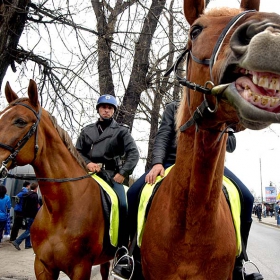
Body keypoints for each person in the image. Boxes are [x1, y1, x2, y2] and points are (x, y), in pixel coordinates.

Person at [112, 101, 263, 280]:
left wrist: (221, 127)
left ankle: (239, 262)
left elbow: (231, 144)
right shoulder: (173, 108)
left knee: (246, 197)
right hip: (172, 161)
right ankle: (132, 256)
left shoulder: (217, 108)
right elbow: (163, 135)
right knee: (133, 193)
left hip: (210, 166)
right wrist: (157, 162)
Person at [76, 94, 139, 195]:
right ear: (98, 109)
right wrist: (87, 163)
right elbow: (77, 151)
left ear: (114, 110)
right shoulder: (86, 131)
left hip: (112, 176)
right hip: (88, 174)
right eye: (103, 107)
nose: (106, 110)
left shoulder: (121, 131)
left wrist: (122, 173)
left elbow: (134, 153)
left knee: (123, 205)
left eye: (110, 108)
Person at [11, 182, 39, 250]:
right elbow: (34, 207)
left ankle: (27, 244)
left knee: (28, 229)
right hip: (32, 215)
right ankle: (17, 241)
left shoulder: (26, 194)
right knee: (29, 230)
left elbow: (23, 205)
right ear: (36, 188)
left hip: (26, 215)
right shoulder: (34, 195)